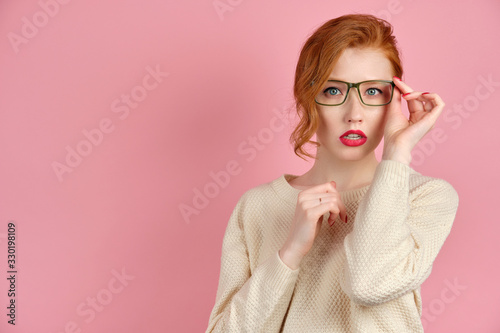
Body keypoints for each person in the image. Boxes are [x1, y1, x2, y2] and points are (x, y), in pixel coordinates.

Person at [205, 13, 459, 333]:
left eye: (373, 92)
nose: (354, 115)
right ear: (306, 98)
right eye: (333, 91)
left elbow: (370, 284)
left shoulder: (424, 196)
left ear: (396, 100)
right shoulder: (256, 206)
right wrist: (290, 253)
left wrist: (397, 154)